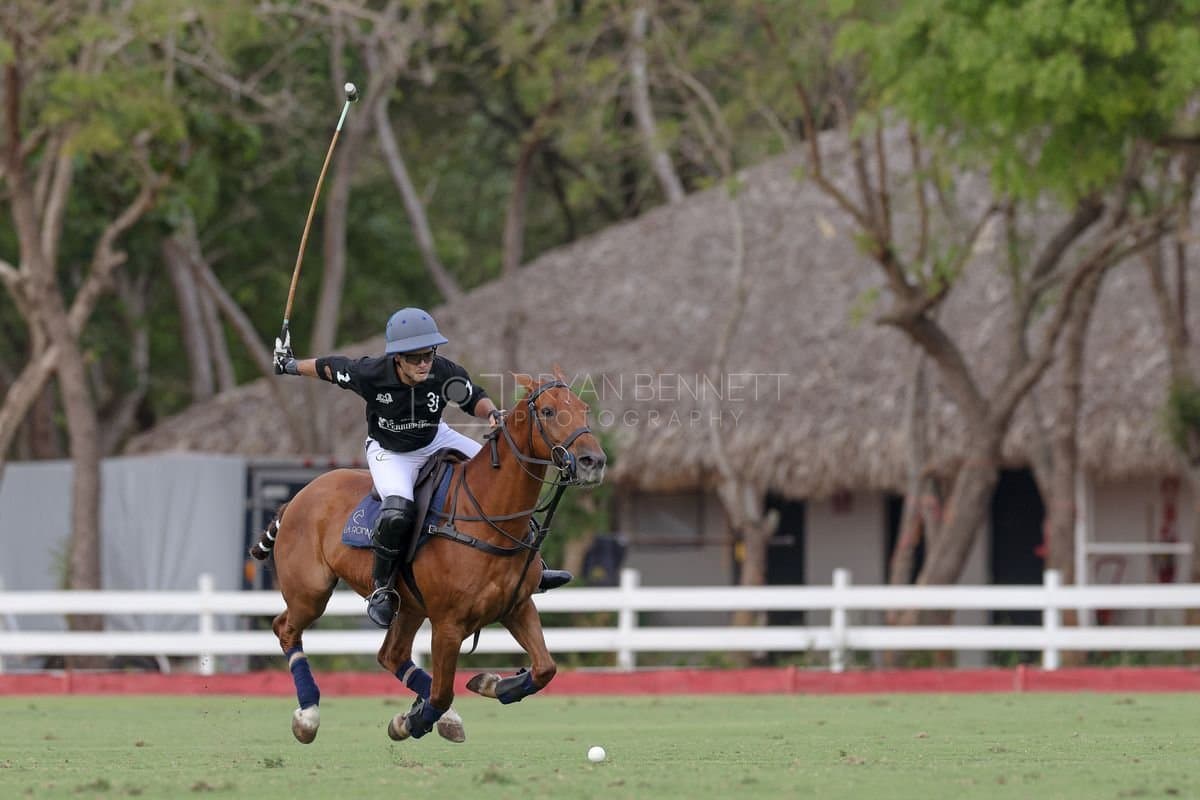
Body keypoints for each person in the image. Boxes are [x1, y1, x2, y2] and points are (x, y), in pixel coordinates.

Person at [273, 307, 572, 628]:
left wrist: (491, 413)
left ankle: (533, 566)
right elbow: (330, 368)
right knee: (398, 508)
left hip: (435, 438)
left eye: (428, 354)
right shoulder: (372, 373)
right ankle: (383, 588)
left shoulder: (441, 372)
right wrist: (289, 364)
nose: (424, 363)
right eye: (415, 358)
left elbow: (473, 397)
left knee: (503, 474)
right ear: (398, 358)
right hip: (390, 450)